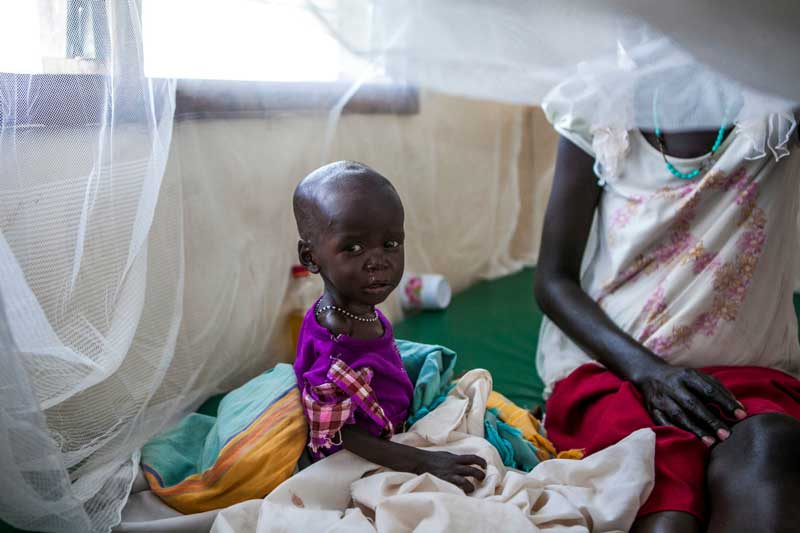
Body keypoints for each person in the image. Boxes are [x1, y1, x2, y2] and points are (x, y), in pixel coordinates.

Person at [534, 97, 800, 533]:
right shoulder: (601, 110)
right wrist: (649, 373)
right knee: (658, 499)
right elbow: (553, 281)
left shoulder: (776, 103)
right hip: (616, 372)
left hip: (746, 375)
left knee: (768, 449)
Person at [292, 160, 487, 493]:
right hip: (362, 455)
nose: (378, 261)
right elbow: (339, 435)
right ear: (310, 258)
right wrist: (421, 461)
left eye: (391, 244)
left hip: (396, 421)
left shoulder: (358, 310)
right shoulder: (335, 348)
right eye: (353, 248)